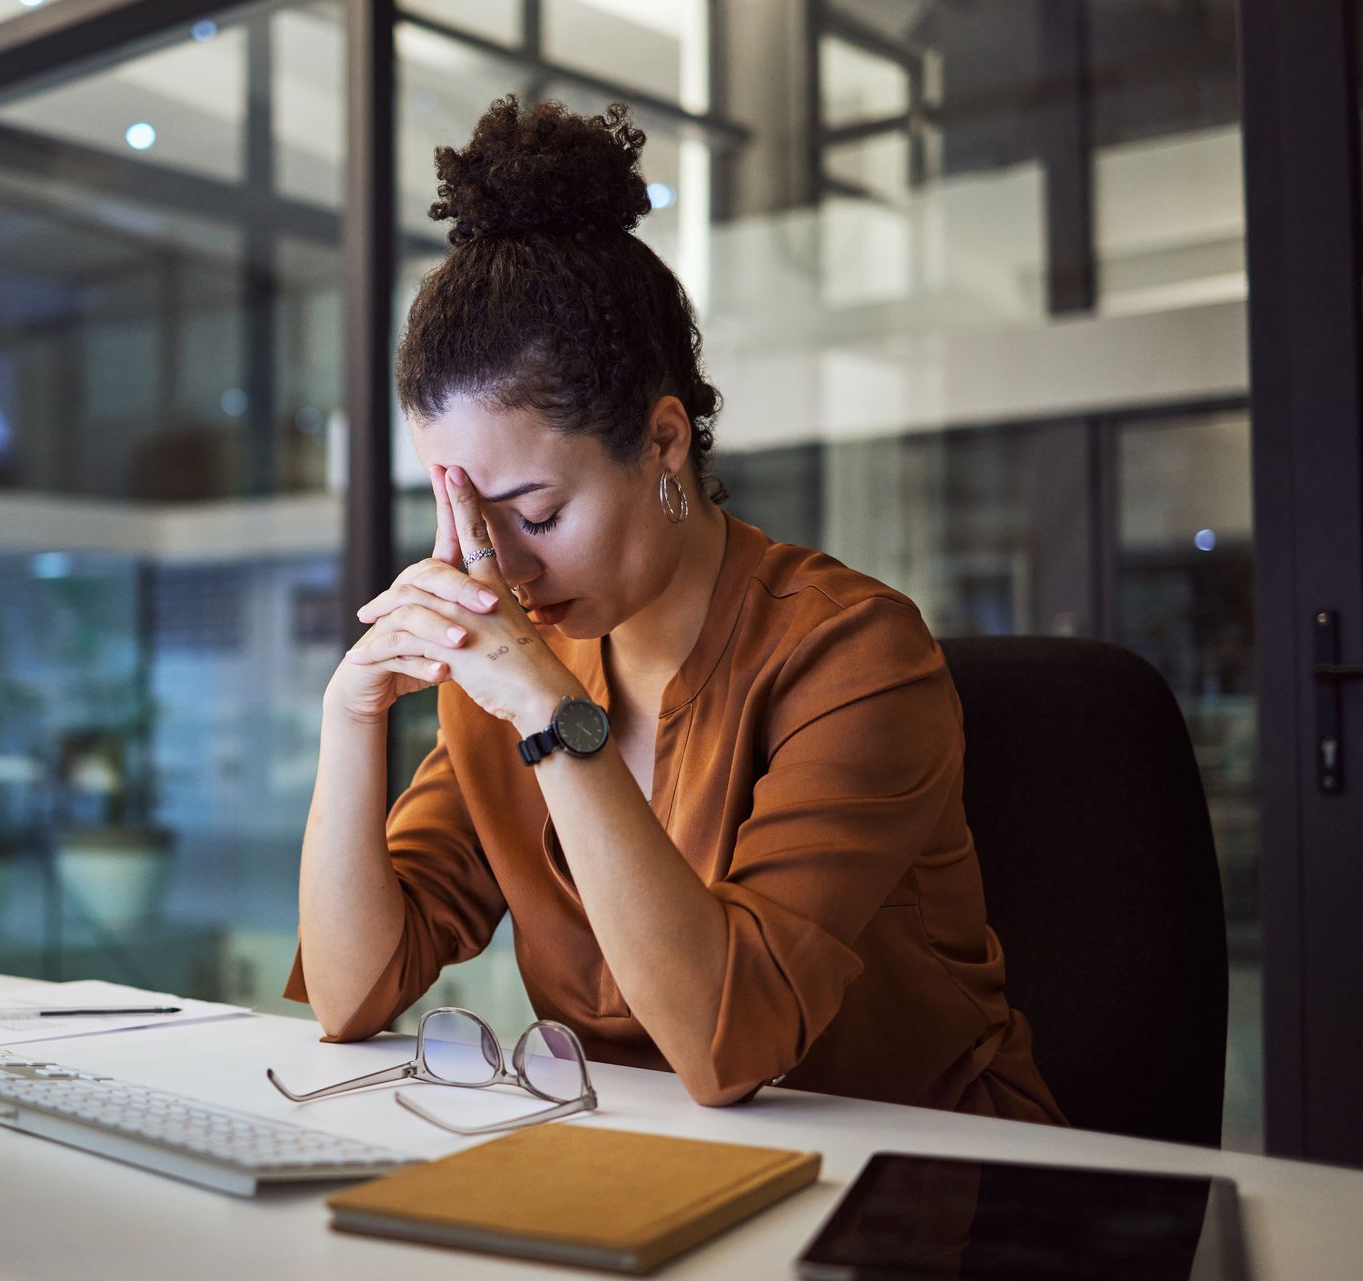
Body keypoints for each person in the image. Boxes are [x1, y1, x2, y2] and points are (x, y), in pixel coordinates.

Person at [286, 95, 1067, 1124]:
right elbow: (350, 996)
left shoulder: (853, 652)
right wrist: (350, 715)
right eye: (466, 516)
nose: (502, 570)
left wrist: (551, 721)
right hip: (655, 1174)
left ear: (662, 444)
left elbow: (725, 1044)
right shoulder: (515, 670)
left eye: (534, 512)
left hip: (930, 1189)